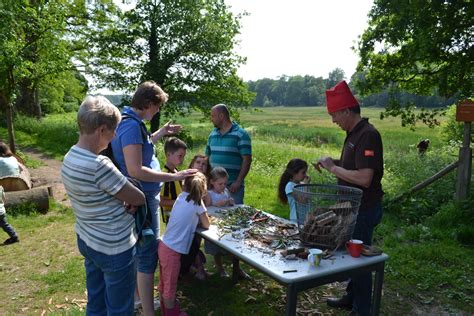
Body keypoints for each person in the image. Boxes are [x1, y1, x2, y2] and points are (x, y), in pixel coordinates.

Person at [110, 81, 197, 315]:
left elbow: (142, 148)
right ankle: (148, 310)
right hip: (144, 199)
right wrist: (173, 176)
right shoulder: (130, 127)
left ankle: (140, 301)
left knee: (142, 252)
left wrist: (161, 133)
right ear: (147, 104)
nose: (158, 111)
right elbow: (136, 169)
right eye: (157, 106)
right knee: (148, 256)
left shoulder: (134, 123)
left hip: (146, 195)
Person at [61, 96, 146, 315]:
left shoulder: (70, 156)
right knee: (119, 309)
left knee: (96, 302)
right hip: (114, 248)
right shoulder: (99, 165)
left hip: (88, 239)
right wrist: (128, 197)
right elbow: (138, 198)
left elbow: (97, 193)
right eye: (113, 130)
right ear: (101, 130)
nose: (115, 135)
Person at [315, 81, 384, 316]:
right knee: (353, 257)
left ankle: (362, 309)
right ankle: (352, 297)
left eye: (335, 115)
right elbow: (352, 166)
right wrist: (332, 163)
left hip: (364, 209)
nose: (333, 120)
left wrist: (333, 169)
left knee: (359, 261)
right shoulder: (353, 134)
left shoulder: (368, 135)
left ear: (346, 111)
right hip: (352, 208)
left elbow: (365, 178)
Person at [158, 172, 210, 316]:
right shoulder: (198, 203)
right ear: (202, 189)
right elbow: (207, 224)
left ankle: (166, 311)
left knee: (164, 285)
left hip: (164, 246)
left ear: (183, 186)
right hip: (172, 252)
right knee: (170, 288)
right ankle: (172, 313)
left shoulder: (180, 198)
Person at [205, 104, 252, 204]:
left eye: (213, 116)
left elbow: (247, 160)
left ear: (221, 116)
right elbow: (206, 158)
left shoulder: (240, 134)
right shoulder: (212, 135)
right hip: (213, 187)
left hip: (233, 186)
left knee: (234, 215)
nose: (211, 119)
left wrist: (238, 181)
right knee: (214, 216)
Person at [160, 137, 188, 224]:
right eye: (180, 156)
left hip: (180, 214)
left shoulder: (176, 172)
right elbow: (161, 201)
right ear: (168, 155)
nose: (182, 160)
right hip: (171, 217)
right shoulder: (164, 176)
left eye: (183, 156)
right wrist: (181, 202)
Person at [277, 158, 309, 223]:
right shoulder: (290, 186)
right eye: (303, 172)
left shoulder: (302, 185)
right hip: (296, 221)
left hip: (305, 220)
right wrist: (306, 185)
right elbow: (303, 200)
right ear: (294, 172)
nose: (305, 175)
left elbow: (308, 201)